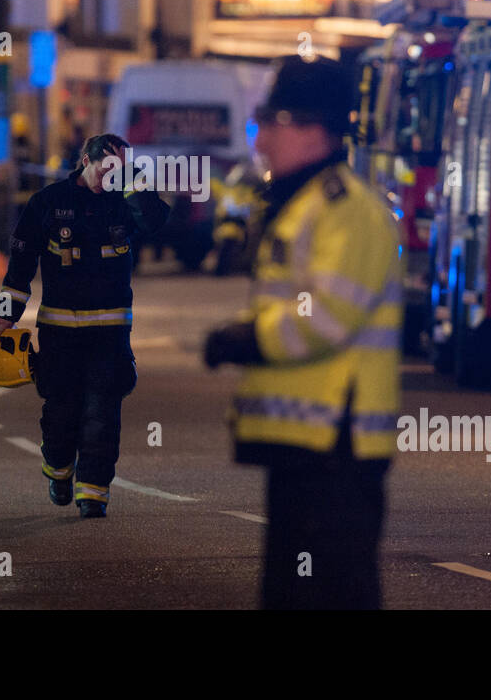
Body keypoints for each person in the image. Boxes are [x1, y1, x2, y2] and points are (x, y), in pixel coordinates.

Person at [202, 55, 403, 609]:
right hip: (305, 445)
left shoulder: (344, 209)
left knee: (332, 595)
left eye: (271, 122)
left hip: (338, 444)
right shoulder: (304, 204)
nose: (260, 139)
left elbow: (327, 315)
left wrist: (249, 338)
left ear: (314, 131)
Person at [0, 133, 170, 518]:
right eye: (105, 168)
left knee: (101, 412)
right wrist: (7, 313)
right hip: (59, 332)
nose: (109, 177)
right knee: (61, 413)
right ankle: (58, 470)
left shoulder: (125, 199)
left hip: (110, 331)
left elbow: (156, 221)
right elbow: (21, 261)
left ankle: (93, 493)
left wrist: (129, 180)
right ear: (85, 162)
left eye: (117, 170)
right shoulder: (48, 203)